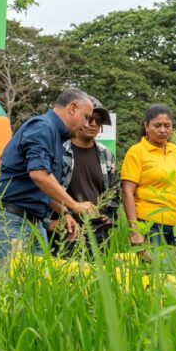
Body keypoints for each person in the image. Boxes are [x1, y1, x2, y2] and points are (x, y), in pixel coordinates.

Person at [0, 89, 98, 261]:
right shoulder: (43, 127)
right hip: (9, 220)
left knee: (37, 278)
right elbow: (39, 175)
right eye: (86, 117)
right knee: (10, 277)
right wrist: (75, 205)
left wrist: (65, 212)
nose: (87, 124)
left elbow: (40, 187)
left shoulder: (56, 136)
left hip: (34, 223)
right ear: (72, 108)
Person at [121, 105, 176, 249]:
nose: (163, 130)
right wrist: (135, 229)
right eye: (157, 125)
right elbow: (127, 192)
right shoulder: (136, 152)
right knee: (154, 263)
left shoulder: (174, 150)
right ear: (146, 126)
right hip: (149, 222)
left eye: (167, 126)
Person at [52, 97, 119, 254]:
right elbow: (46, 186)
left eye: (99, 120)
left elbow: (115, 189)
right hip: (66, 229)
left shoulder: (106, 154)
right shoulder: (59, 149)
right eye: (89, 118)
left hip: (98, 232)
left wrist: (109, 215)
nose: (93, 124)